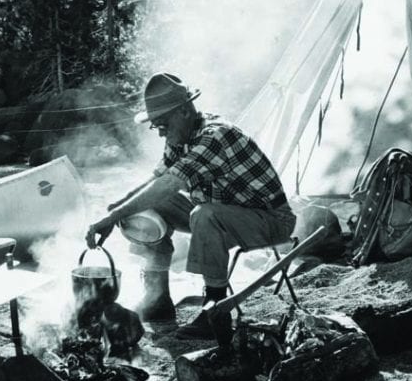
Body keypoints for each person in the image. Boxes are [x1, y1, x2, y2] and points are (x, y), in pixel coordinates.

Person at [86, 72, 295, 339]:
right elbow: (157, 179)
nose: (160, 131)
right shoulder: (179, 139)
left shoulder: (215, 136)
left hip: (270, 221)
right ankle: (158, 299)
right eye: (155, 126)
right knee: (147, 205)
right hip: (223, 215)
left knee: (204, 214)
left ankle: (215, 311)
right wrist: (120, 207)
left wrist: (115, 214)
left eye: (163, 123)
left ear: (184, 111)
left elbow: (169, 184)